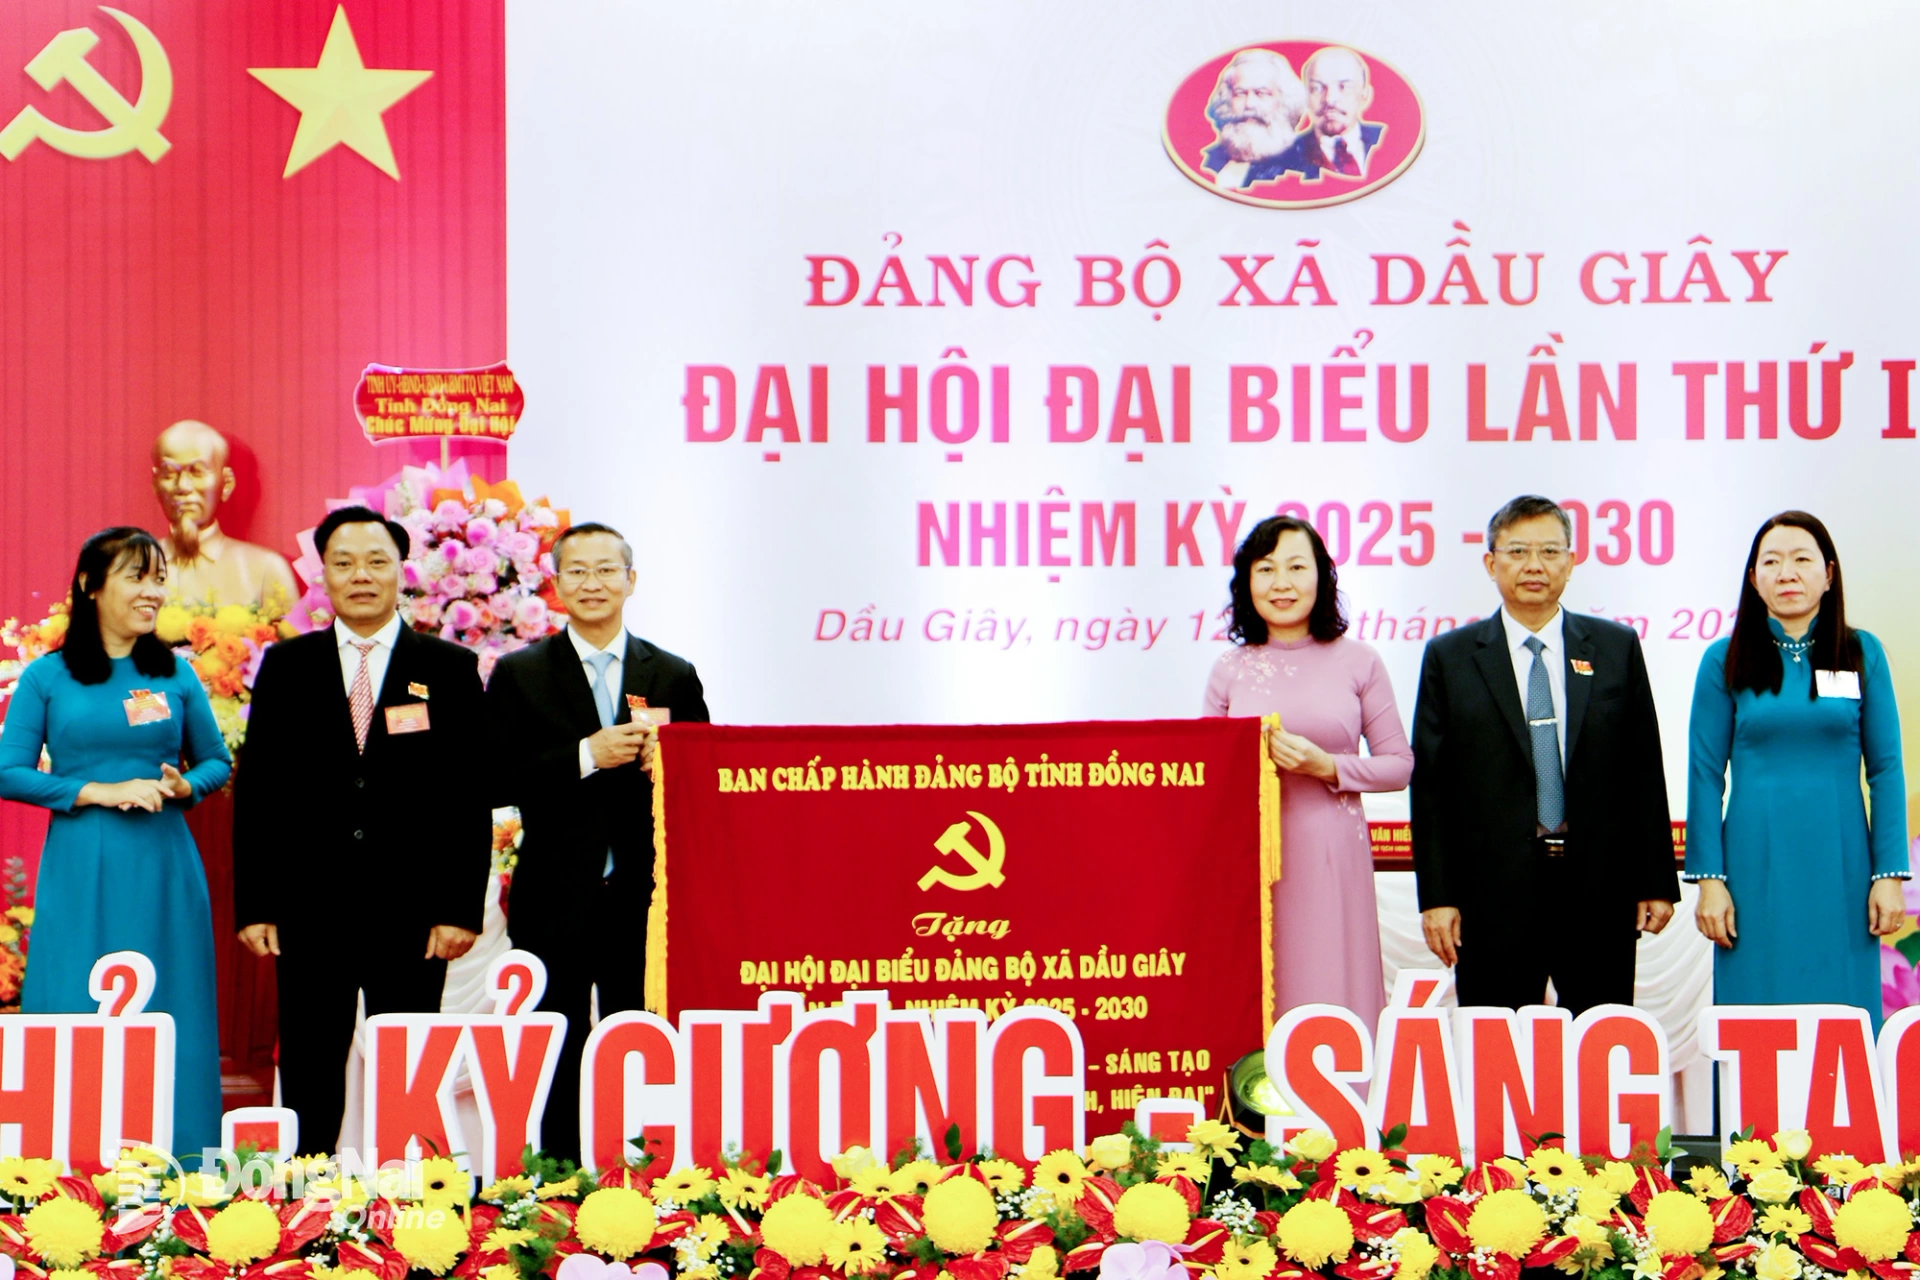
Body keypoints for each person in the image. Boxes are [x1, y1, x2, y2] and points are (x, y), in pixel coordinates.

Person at [232, 505, 490, 1155]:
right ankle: (312, 1206)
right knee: (312, 1063)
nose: (361, 576)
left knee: (409, 1063)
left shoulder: (450, 668)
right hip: (309, 905)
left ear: (402, 570)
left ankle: (411, 1206)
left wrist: (459, 908)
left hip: (414, 910)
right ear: (324, 574)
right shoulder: (287, 666)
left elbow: (469, 796)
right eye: (344, 563)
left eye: (376, 561)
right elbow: (259, 790)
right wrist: (258, 903)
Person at [0, 528, 230, 1156]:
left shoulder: (174, 673)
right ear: (90, 585)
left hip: (162, 863)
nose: (152, 591)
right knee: (75, 986)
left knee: (171, 995)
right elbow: (8, 769)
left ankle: (183, 1158)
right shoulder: (49, 676)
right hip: (81, 857)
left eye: (158, 577)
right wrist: (93, 792)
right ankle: (59, 1160)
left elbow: (217, 761)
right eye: (136, 576)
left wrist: (186, 787)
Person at [486, 522, 709, 1162]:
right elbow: (494, 779)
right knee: (555, 1041)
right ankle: (556, 1174)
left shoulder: (671, 673)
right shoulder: (521, 673)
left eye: (607, 570)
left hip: (644, 896)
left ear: (631, 581)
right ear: (557, 585)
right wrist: (585, 754)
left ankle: (645, 1174)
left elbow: (703, 782)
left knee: (640, 1039)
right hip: (554, 893)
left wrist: (668, 768)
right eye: (578, 571)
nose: (593, 583)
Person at [1411, 495, 1677, 1013]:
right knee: (1496, 1055)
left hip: (1599, 888)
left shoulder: (1614, 646)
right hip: (1491, 894)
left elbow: (1643, 769)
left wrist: (1655, 881)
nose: (1534, 565)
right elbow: (1432, 788)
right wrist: (1437, 897)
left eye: (1550, 551)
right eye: (1518, 552)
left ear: (1571, 562)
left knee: (1601, 1052)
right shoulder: (1451, 657)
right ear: (1491, 563)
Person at [1687, 512, 1907, 1021]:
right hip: (1751, 866)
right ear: (1753, 577)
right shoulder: (1724, 660)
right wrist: (1710, 880)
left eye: (1802, 560)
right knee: (1756, 1011)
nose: (1787, 573)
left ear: (1828, 574)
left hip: (1843, 866)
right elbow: (1703, 775)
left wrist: (1889, 873)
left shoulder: (1860, 653)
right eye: (1772, 561)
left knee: (1842, 1007)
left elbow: (1886, 769)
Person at [1202, 516, 1411, 1026]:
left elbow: (1399, 765)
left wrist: (1328, 767)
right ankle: (1259, 1101)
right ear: (1246, 582)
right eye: (1266, 569)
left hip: (1331, 851)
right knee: (1262, 982)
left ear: (1322, 577)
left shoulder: (1359, 660)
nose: (1282, 583)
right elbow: (1208, 773)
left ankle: (1346, 1095)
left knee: (1334, 974)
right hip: (1254, 858)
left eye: (1297, 567)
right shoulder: (1231, 668)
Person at [151, 420, 300, 614]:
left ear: (226, 483)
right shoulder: (133, 567)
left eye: (197, 472)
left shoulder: (266, 569)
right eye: (170, 474)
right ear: (155, 483)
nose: (184, 487)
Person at [1271, 46, 1385, 181]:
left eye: (1344, 87)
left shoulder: (1388, 140)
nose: (1329, 99)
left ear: (1364, 96)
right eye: (1317, 88)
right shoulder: (1280, 161)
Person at [1200, 48, 1310, 189]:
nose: (1249, 104)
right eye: (1240, 93)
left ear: (1284, 100)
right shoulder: (1207, 160)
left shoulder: (1303, 166)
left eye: (1261, 93)